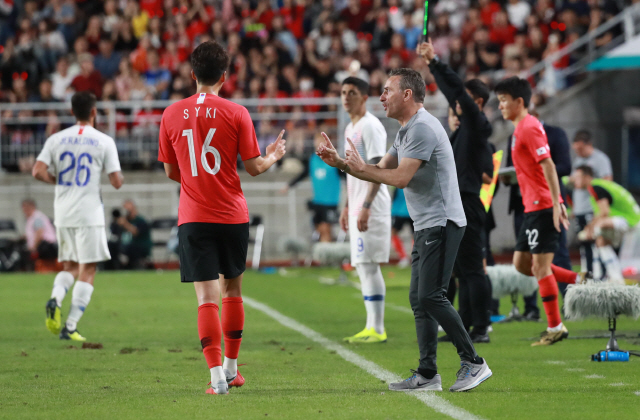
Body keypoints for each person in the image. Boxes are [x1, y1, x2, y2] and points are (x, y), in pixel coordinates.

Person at [317, 68, 491, 392]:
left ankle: (473, 362)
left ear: (407, 95)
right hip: (427, 223)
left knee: (430, 296)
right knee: (418, 297)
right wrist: (341, 163)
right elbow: (379, 169)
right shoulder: (406, 130)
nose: (381, 97)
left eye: (387, 91)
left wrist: (357, 167)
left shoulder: (423, 127)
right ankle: (428, 374)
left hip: (442, 221)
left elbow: (398, 178)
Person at [158, 41, 286, 396]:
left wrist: (198, 182)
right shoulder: (237, 112)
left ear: (192, 74)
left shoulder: (170, 114)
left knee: (206, 300)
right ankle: (231, 369)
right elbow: (255, 167)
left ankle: (218, 378)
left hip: (194, 216)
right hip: (231, 214)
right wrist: (273, 155)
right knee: (232, 291)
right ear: (225, 76)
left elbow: (172, 171)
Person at [495, 77, 584, 346]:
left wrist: (558, 204)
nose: (499, 106)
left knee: (540, 267)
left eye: (503, 101)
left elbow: (549, 166)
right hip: (531, 207)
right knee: (522, 265)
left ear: (519, 102)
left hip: (543, 207)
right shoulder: (519, 129)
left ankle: (556, 326)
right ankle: (577, 279)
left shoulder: (529, 128)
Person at [33, 91, 124, 342]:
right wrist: (119, 177)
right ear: (94, 112)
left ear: (72, 112)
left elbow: (37, 170)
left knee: (70, 266)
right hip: (89, 213)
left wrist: (58, 181)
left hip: (63, 211)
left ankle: (56, 298)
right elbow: (116, 182)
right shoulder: (103, 140)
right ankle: (70, 325)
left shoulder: (56, 139)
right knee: (88, 268)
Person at [418, 40, 493, 343]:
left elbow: (456, 92)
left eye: (462, 100)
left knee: (473, 270)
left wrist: (435, 62)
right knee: (462, 271)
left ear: (474, 102)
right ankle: (466, 323)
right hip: (457, 203)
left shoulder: (475, 127)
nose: (455, 104)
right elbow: (456, 94)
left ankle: (481, 327)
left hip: (468, 202)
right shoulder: (462, 132)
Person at [504, 111, 574, 320]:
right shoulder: (514, 135)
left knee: (556, 254)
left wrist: (534, 171)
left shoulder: (554, 133)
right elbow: (513, 167)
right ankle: (531, 308)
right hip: (522, 203)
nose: (501, 107)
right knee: (524, 261)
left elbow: (562, 166)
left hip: (545, 203)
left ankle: (568, 305)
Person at [339, 77, 392, 344]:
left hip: (372, 206)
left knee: (368, 266)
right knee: (362, 266)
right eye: (343, 92)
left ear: (364, 98)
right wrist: (349, 205)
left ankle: (377, 328)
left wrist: (366, 206)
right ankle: (371, 325)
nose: (346, 97)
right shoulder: (351, 126)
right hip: (358, 204)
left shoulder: (371, 127)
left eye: (352, 93)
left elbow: (377, 170)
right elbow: (354, 173)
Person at [573, 165, 640, 284]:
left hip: (631, 221)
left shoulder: (595, 186)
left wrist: (589, 229)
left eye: (577, 177)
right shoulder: (601, 185)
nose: (574, 180)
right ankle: (613, 277)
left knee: (598, 228)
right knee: (601, 241)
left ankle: (602, 273)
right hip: (629, 220)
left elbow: (604, 212)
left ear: (586, 177)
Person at [281, 133, 341, 243]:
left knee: (326, 228)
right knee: (318, 230)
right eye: (316, 143)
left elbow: (346, 175)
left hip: (330, 202)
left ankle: (326, 255)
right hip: (317, 201)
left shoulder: (334, 160)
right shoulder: (312, 160)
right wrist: (289, 185)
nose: (318, 145)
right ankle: (325, 251)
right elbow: (303, 174)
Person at [571, 129, 613, 274]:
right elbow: (574, 184)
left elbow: (608, 183)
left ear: (588, 144)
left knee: (598, 242)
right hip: (580, 208)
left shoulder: (601, 159)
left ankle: (602, 275)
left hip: (593, 208)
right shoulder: (578, 161)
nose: (578, 152)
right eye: (576, 149)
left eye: (580, 148)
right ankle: (589, 274)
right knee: (584, 243)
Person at [117, 199, 152, 269]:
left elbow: (136, 232)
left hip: (140, 245)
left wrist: (125, 224)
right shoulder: (123, 220)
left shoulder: (140, 220)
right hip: (126, 245)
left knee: (131, 248)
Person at [391, 188, 412, 267]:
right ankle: (405, 258)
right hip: (402, 211)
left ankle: (405, 258)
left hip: (402, 211)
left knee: (416, 235)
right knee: (416, 235)